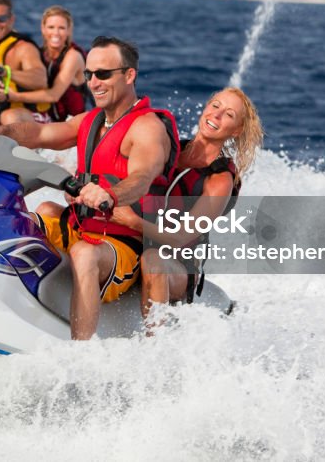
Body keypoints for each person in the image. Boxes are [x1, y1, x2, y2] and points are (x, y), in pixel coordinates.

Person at [0, 36, 179, 339]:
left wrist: (111, 195)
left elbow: (142, 177)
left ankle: (80, 356)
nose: (93, 83)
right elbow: (39, 133)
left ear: (129, 75)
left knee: (84, 254)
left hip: (121, 244)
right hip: (80, 225)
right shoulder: (91, 120)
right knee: (22, 217)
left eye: (103, 74)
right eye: (89, 74)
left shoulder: (148, 129)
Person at [109, 87, 263, 319]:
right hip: (134, 243)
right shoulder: (170, 148)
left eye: (229, 115)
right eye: (215, 105)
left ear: (237, 130)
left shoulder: (219, 180)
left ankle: (155, 344)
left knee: (153, 260)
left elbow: (181, 238)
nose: (216, 115)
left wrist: (132, 221)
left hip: (178, 266)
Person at [0, 5, 91, 122]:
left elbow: (54, 95)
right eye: (51, 27)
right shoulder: (40, 52)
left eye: (62, 28)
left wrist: (14, 97)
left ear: (69, 30)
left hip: (70, 122)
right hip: (48, 117)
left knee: (10, 117)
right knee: (4, 115)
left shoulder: (73, 56)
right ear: (43, 29)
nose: (56, 33)